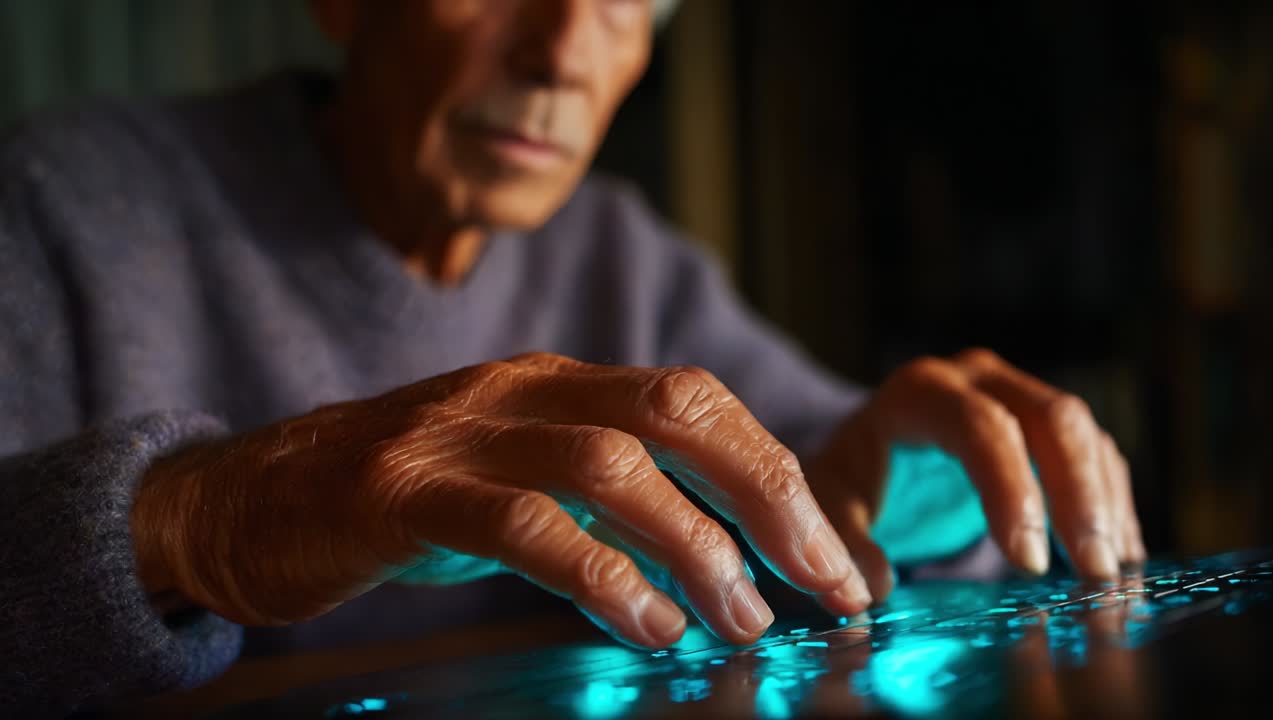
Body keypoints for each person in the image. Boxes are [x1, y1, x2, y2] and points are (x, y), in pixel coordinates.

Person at [0, 1, 1144, 715]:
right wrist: (201, 525)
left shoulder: (624, 258)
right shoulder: (60, 207)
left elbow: (829, 486)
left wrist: (899, 506)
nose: (561, 52)